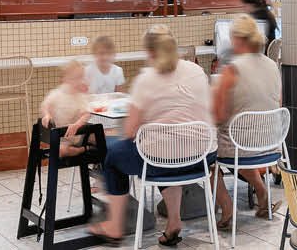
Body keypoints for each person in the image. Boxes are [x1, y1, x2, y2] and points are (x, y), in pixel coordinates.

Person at [89, 30, 213, 246]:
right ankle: (174, 221)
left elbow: (129, 131)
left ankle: (115, 227)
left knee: (113, 157)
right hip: (202, 157)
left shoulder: (146, 79)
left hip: (164, 159)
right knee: (164, 153)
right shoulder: (196, 70)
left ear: (149, 52)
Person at [212, 15, 282, 227]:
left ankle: (226, 208)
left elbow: (218, 116)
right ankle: (262, 195)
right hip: (271, 144)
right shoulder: (272, 65)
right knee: (243, 141)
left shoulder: (232, 70)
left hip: (240, 146)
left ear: (237, 39)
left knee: (206, 159)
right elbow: (278, 103)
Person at [39, 61, 96, 160]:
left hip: (78, 135)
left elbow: (86, 114)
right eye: (76, 78)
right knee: (60, 151)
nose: (80, 81)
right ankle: (83, 149)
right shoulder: (57, 93)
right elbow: (45, 105)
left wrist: (77, 124)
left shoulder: (80, 96)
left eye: (81, 77)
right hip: (62, 138)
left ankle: (94, 153)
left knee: (101, 137)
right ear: (65, 79)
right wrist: (47, 115)